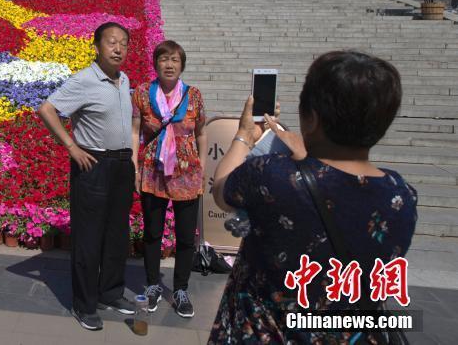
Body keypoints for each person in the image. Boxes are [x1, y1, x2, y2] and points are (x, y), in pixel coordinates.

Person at [208, 51, 418, 343]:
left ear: (312, 118)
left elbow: (221, 190)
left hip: (264, 333)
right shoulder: (401, 194)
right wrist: (307, 157)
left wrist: (245, 134)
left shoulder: (272, 175)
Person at [38, 22, 136, 331]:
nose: (118, 48)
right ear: (96, 47)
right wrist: (71, 146)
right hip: (93, 164)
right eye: (111, 42)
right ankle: (84, 304)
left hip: (121, 165)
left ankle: (111, 292)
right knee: (89, 238)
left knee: (116, 234)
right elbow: (47, 109)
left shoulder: (124, 79)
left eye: (123, 43)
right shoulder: (83, 80)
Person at [131, 40, 207, 318]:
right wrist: (133, 165)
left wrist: (203, 167)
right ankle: (152, 285)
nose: (169, 64)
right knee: (152, 234)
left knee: (186, 237)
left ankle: (180, 289)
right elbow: (135, 129)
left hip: (187, 172)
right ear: (156, 63)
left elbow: (201, 132)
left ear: (182, 65)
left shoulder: (194, 95)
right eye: (164, 58)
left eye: (175, 59)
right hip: (153, 170)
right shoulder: (141, 93)